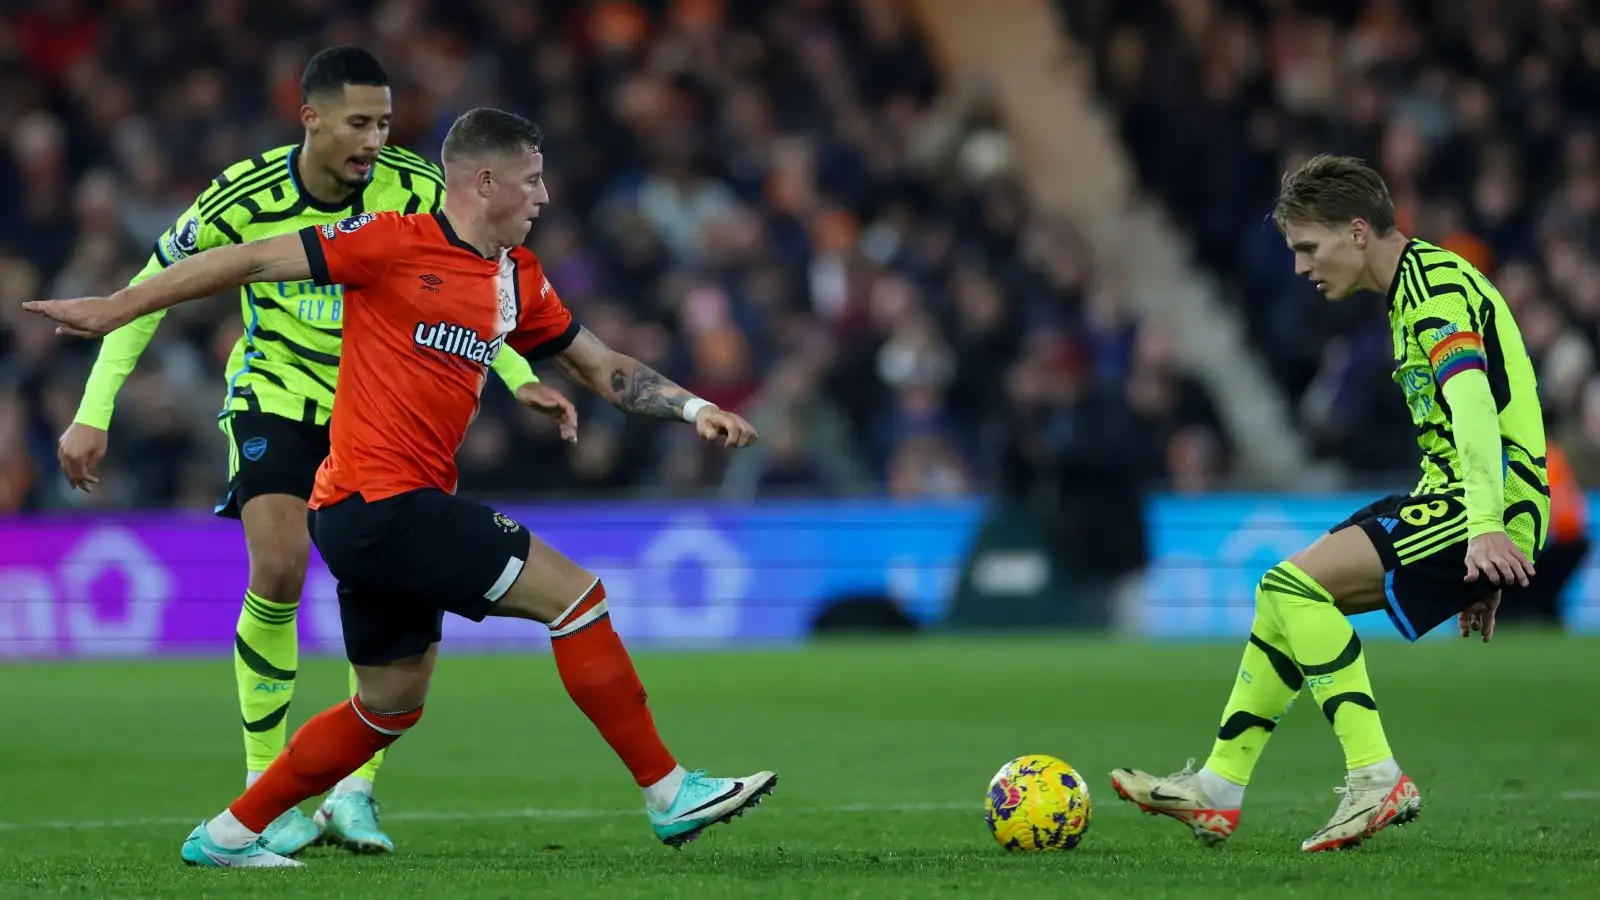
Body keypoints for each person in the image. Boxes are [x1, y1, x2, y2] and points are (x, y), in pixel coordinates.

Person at [28, 106, 777, 869]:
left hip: (377, 515)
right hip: (378, 503)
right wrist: (118, 305)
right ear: (485, 182)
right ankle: (668, 790)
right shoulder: (389, 242)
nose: (545, 196)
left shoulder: (517, 277)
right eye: (533, 179)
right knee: (576, 598)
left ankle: (226, 834)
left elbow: (600, 365)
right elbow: (249, 260)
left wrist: (694, 407)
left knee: (388, 706)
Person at [55, 47, 567, 857]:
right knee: (282, 564)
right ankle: (272, 795)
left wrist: (515, 372)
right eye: (359, 122)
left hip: (383, 409)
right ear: (312, 119)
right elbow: (147, 291)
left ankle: (354, 794)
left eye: (386, 123)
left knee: (391, 586)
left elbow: (474, 277)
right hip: (278, 397)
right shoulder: (242, 197)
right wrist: (93, 412)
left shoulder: (417, 186)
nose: (375, 139)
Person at [1107, 155, 1546, 852]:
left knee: (1292, 586)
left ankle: (1376, 777)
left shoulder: (1432, 294)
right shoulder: (1415, 290)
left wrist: (1490, 528)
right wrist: (1484, 548)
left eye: (1309, 247)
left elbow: (1472, 409)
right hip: (1461, 499)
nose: (1300, 267)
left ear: (1360, 232)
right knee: (1282, 598)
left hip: (1477, 498)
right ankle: (1218, 789)